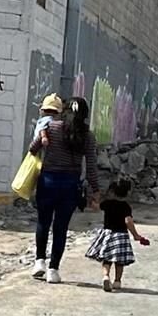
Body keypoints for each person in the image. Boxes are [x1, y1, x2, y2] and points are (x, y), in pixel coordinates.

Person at [29, 97, 100, 284]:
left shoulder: (51, 128)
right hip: (70, 185)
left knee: (43, 222)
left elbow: (32, 150)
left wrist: (42, 135)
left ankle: (39, 262)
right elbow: (91, 166)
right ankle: (53, 270)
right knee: (61, 227)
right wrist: (96, 191)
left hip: (48, 181)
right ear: (85, 114)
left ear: (64, 111)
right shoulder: (87, 135)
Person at [84, 179, 149, 292]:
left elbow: (96, 207)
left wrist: (92, 200)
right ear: (127, 193)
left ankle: (106, 276)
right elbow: (128, 221)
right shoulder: (125, 206)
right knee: (120, 261)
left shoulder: (107, 204)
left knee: (107, 259)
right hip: (121, 236)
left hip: (108, 234)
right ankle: (117, 281)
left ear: (112, 191)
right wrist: (136, 235)